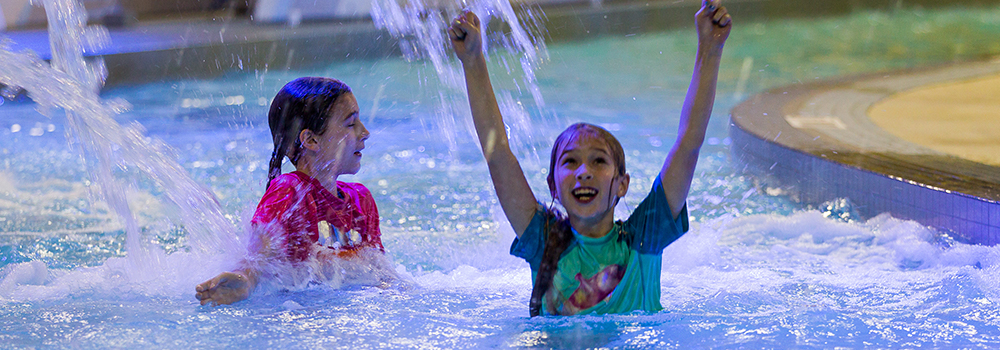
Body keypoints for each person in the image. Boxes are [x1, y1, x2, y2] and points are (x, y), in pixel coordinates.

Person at [448, 1, 731, 316]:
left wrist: (711, 49)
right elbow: (498, 154)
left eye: (598, 161)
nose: (584, 172)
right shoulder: (543, 243)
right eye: (570, 162)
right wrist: (472, 61)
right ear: (552, 186)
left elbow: (688, 143)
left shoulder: (644, 239)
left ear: (622, 184)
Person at [196, 77, 386, 306]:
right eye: (350, 123)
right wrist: (245, 278)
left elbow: (379, 272)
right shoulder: (289, 192)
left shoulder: (361, 200)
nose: (365, 132)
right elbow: (259, 251)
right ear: (311, 139)